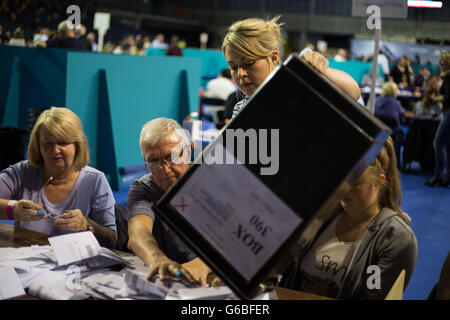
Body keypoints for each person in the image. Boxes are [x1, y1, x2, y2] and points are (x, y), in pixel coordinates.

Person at [281, 137, 418, 299]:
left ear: (378, 182)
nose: (343, 189)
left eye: (354, 183)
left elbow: (373, 296)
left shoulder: (396, 240)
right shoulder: (322, 215)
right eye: (341, 179)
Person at [0, 107, 117, 248]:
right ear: (38, 146)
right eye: (47, 144)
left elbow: (111, 239)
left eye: (63, 143)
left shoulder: (95, 180)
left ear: (77, 145)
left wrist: (87, 224)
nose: (55, 151)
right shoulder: (22, 172)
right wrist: (13, 209)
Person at [127, 118, 221, 286]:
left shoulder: (214, 182)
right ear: (146, 163)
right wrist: (157, 259)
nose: (165, 169)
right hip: (172, 279)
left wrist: (202, 264)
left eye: (172, 157)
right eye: (154, 161)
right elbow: (138, 233)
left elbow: (236, 243)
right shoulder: (144, 188)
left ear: (189, 151)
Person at [221, 17, 361, 120]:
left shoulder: (299, 91)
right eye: (233, 67)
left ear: (274, 58)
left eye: (249, 63)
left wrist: (319, 71)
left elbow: (353, 92)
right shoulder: (241, 109)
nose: (241, 74)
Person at [426, 51, 450, 187]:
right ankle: (446, 176)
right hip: (447, 112)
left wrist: (436, 98)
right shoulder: (446, 76)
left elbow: (447, 97)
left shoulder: (449, 76)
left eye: (444, 61)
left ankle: (438, 176)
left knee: (438, 143)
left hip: (449, 112)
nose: (441, 63)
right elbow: (443, 93)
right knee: (447, 145)